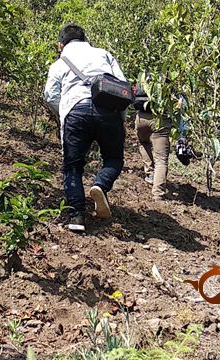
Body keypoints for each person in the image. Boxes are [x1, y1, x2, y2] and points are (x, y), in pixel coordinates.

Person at [43, 23, 127, 233]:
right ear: (85, 39)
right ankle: (100, 184)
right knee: (114, 158)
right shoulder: (104, 55)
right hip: (108, 111)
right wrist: (121, 117)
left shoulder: (59, 63)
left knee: (72, 167)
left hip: (75, 112)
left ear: (60, 45)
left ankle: (76, 216)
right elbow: (123, 85)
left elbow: (50, 95)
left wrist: (66, 112)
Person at [133, 85, 172, 200]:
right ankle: (158, 194)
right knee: (161, 160)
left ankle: (150, 174)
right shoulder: (170, 82)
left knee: (144, 143)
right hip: (160, 119)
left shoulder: (145, 78)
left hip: (141, 118)